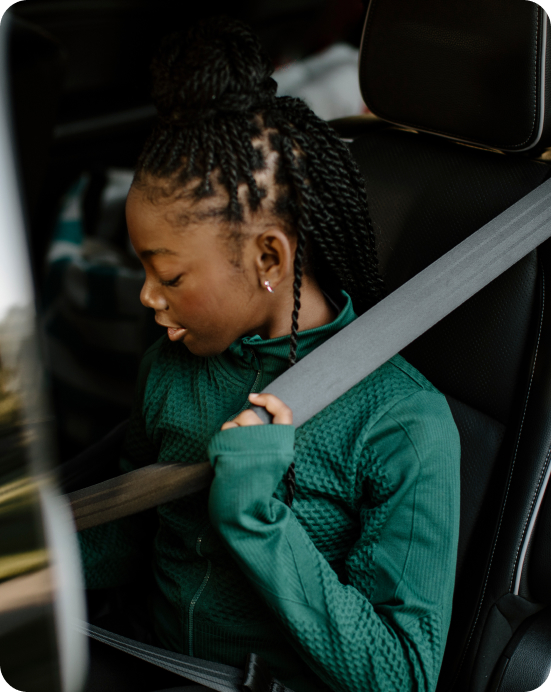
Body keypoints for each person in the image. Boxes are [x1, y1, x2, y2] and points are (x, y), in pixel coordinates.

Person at [77, 16, 460, 692]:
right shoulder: (171, 366)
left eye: (169, 276)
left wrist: (254, 518)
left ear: (267, 257)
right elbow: (129, 535)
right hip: (139, 655)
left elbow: (400, 675)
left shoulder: (401, 423)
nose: (145, 297)